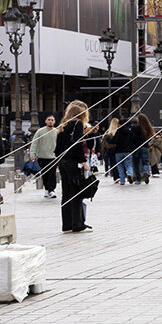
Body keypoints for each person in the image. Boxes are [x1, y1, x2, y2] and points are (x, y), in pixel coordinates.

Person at [55, 100, 95, 233]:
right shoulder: (77, 124)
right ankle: (78, 224)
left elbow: (59, 148)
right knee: (76, 193)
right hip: (73, 162)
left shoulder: (63, 125)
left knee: (66, 193)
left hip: (63, 162)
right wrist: (83, 161)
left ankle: (67, 225)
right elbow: (77, 145)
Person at [28, 114, 60, 197]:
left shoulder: (57, 131)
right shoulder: (40, 131)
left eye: (52, 120)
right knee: (45, 174)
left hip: (53, 157)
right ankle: (46, 189)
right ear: (46, 121)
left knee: (52, 174)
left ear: (54, 122)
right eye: (49, 119)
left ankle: (51, 190)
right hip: (42, 157)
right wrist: (32, 154)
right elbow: (34, 143)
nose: (50, 121)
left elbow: (60, 144)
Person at [134, 114, 155, 183]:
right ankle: (146, 171)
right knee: (145, 162)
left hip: (136, 147)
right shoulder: (148, 128)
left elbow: (132, 138)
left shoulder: (135, 128)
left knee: (136, 163)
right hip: (145, 147)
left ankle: (138, 179)